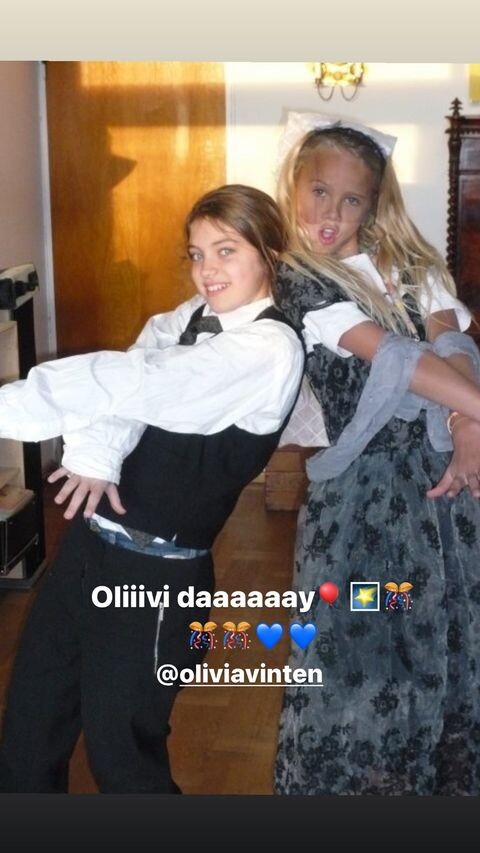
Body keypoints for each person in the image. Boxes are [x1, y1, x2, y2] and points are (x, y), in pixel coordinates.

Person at [0, 184, 304, 793]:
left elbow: (135, 381)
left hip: (156, 580)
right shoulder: (189, 317)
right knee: (29, 732)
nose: (206, 270)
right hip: (88, 551)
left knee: (123, 759)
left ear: (270, 254)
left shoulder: (269, 348)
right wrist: (96, 454)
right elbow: (126, 389)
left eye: (225, 251)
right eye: (196, 254)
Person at [272, 112, 480, 795]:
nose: (331, 213)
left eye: (351, 199)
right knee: (361, 660)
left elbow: (451, 346)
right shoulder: (300, 278)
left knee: (452, 644)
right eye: (319, 192)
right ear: (294, 186)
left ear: (374, 204)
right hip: (360, 507)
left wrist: (469, 425)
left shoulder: (415, 267)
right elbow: (394, 358)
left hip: (449, 484)